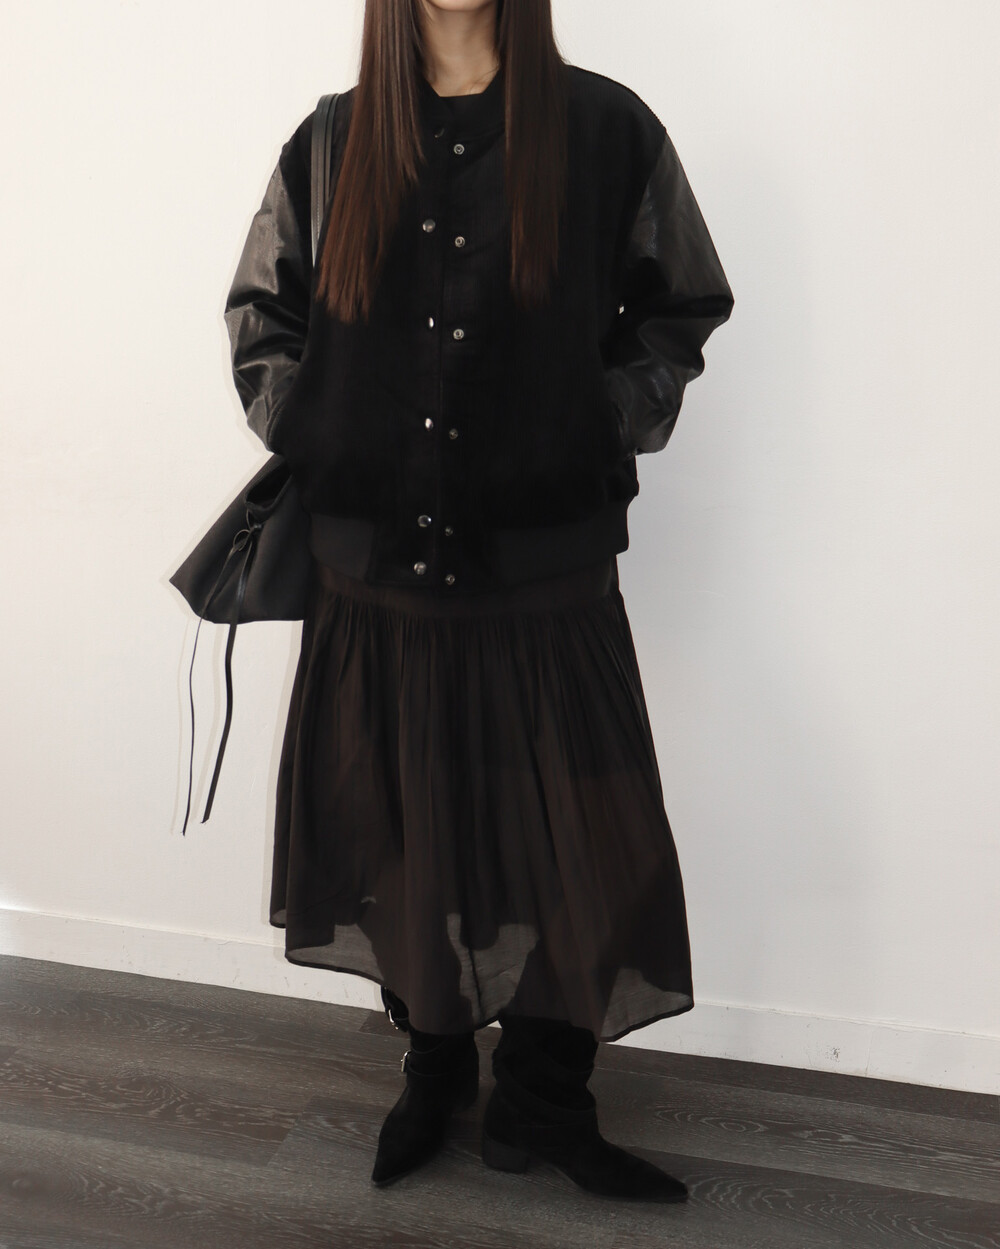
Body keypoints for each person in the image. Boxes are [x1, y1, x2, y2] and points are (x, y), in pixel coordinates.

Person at [223, 0, 733, 1203]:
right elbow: (263, 315)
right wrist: (322, 433)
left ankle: (545, 1102)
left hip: (544, 569)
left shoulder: (606, 130)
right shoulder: (332, 142)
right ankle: (434, 1066)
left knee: (580, 842)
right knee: (402, 831)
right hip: (376, 573)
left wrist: (591, 426)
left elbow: (679, 305)